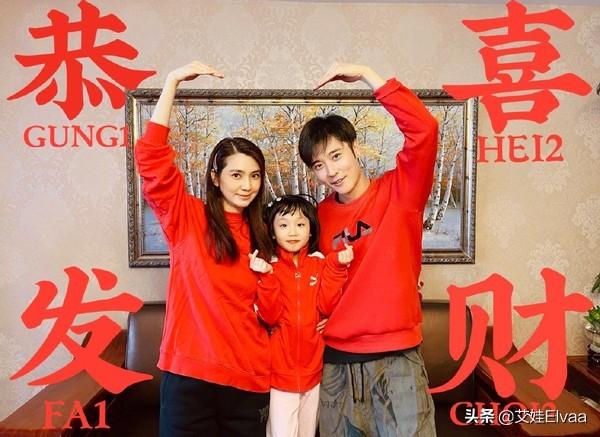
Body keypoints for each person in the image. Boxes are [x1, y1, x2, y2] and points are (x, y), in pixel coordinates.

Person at [134, 61, 276, 437]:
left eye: (255, 175)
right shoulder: (187, 218)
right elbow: (151, 159)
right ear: (215, 177)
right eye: (236, 174)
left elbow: (280, 301)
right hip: (190, 379)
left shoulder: (266, 234)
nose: (246, 185)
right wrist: (171, 82)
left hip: (249, 380)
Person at [298, 62, 439, 436]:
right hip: (335, 365)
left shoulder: (401, 192)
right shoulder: (318, 217)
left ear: (354, 148)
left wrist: (365, 73)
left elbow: (424, 130)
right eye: (318, 165)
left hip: (397, 360)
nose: (331, 171)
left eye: (336, 155)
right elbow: (306, 276)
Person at [249, 195, 354, 437]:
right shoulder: (269, 266)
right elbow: (270, 316)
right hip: (279, 372)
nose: (293, 231)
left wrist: (337, 268)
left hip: (314, 370)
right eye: (284, 225)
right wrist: (266, 277)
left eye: (300, 224)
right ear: (272, 232)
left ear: (311, 229)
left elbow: (327, 306)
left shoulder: (320, 263)